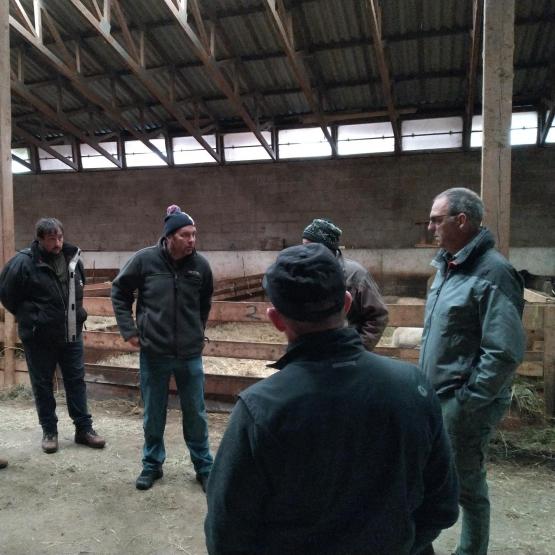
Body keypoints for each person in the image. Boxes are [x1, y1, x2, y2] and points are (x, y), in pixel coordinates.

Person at [205, 243, 459, 555]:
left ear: (276, 319)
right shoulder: (413, 387)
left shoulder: (261, 409)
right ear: (347, 302)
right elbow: (443, 506)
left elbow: (226, 532)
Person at [419, 188, 525, 555]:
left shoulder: (494, 272)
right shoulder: (446, 267)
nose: (430, 226)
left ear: (461, 220)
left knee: (467, 484)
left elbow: (504, 350)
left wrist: (469, 400)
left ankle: (471, 551)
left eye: (436, 218)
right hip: (437, 394)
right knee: (432, 476)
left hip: (461, 400)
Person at [111, 205, 214, 492]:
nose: (192, 240)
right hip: (154, 353)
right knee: (154, 412)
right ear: (169, 237)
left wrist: (196, 331)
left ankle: (204, 466)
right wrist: (129, 330)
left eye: (194, 234)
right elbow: (119, 292)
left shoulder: (200, 267)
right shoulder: (145, 261)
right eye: (185, 235)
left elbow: (204, 303)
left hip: (189, 355)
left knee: (196, 413)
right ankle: (152, 465)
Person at [0, 218, 105, 454]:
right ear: (40, 239)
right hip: (39, 337)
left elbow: (78, 290)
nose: (57, 243)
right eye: (51, 239)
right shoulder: (23, 263)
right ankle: (50, 431)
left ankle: (83, 429)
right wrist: (32, 316)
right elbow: (7, 294)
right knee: (42, 384)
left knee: (76, 381)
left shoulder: (73, 259)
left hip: (71, 334)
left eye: (59, 237)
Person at [302, 218, 388, 350]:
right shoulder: (303, 272)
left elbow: (378, 315)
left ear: (327, 248)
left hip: (345, 350)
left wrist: (359, 348)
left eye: (310, 246)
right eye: (303, 246)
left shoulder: (355, 275)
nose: (304, 252)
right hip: (313, 352)